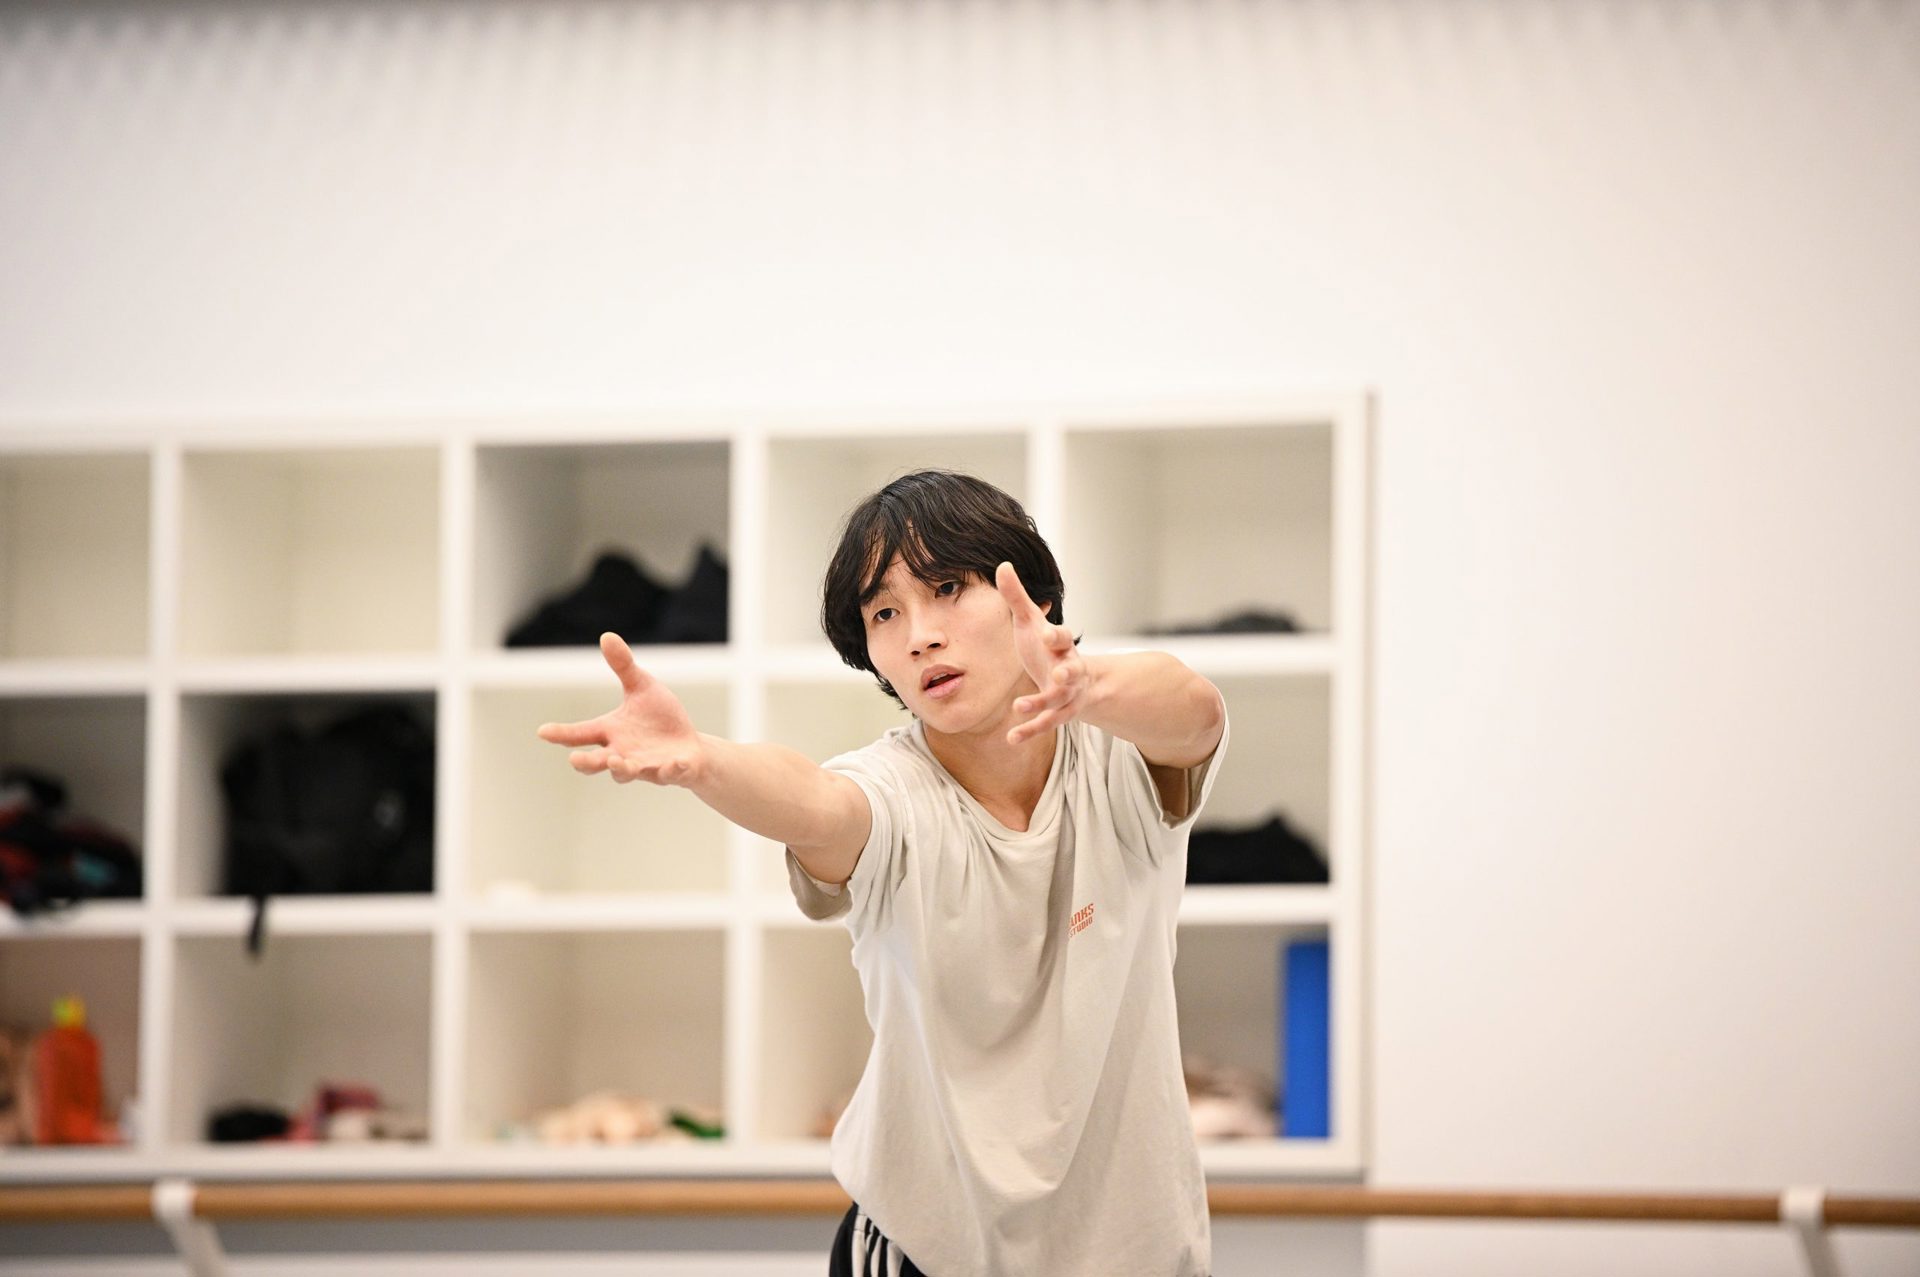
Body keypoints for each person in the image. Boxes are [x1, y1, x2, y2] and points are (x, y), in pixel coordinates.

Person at [537, 469, 1229, 1276]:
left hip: (1135, 1249)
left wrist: (1089, 684)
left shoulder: (1116, 761)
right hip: (926, 1251)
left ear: (1030, 598)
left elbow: (1196, 711)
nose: (920, 634)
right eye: (885, 613)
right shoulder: (893, 790)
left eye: (946, 588)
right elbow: (818, 806)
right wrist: (705, 762)